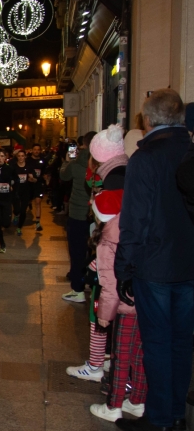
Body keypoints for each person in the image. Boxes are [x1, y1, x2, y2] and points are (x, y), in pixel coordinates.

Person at [114, 89, 194, 431]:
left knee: (158, 342)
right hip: (188, 262)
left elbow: (135, 219)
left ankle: (159, 418)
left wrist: (124, 267)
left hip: (155, 264)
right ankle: (176, 412)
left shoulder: (145, 157)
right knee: (182, 341)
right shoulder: (189, 150)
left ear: (148, 119)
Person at [80, 125, 146, 423]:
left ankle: (115, 403)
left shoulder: (109, 239)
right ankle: (138, 400)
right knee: (140, 354)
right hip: (143, 291)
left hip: (124, 300)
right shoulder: (129, 214)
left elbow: (109, 284)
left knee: (121, 353)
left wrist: (104, 315)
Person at [60, 131, 97, 303]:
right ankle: (92, 281)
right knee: (95, 251)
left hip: (77, 214)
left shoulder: (76, 164)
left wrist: (66, 162)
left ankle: (77, 289)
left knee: (77, 252)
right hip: (97, 216)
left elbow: (63, 176)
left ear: (83, 145)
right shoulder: (102, 162)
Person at [11, 150, 34, 236]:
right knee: (17, 209)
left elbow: (35, 179)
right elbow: (9, 177)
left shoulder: (29, 167)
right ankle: (16, 215)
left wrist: (32, 179)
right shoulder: (13, 167)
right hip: (16, 191)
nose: (21, 157)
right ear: (17, 157)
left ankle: (19, 228)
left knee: (23, 211)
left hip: (25, 191)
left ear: (25, 157)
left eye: (22, 156)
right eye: (19, 156)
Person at [27, 144, 46, 232]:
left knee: (38, 202)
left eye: (38, 149)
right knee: (25, 202)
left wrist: (45, 178)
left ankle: (38, 222)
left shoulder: (43, 160)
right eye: (35, 149)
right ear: (32, 150)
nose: (36, 151)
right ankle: (17, 215)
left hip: (38, 184)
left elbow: (45, 172)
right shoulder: (28, 160)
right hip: (29, 185)